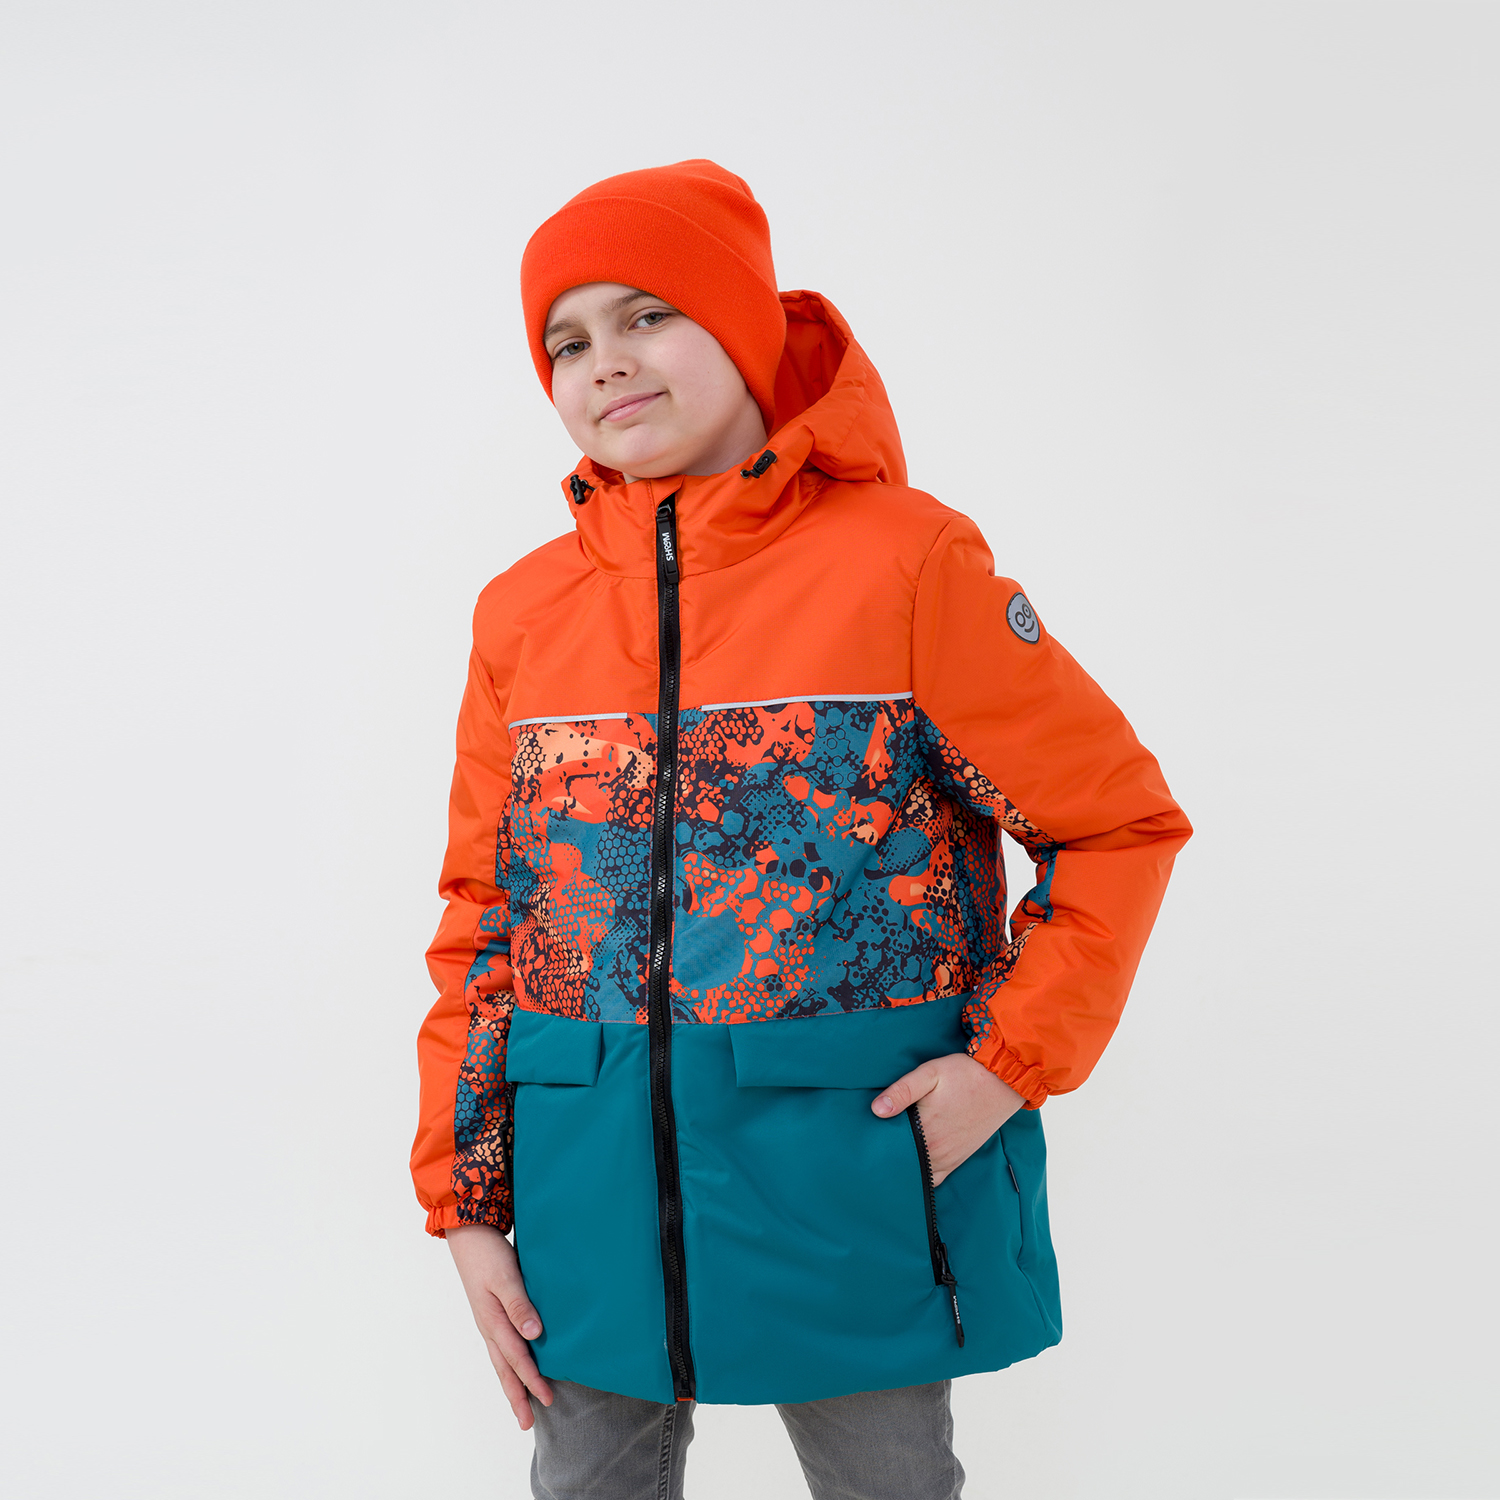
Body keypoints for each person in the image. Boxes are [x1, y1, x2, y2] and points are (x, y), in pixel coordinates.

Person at [411, 159, 1191, 1500]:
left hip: (848, 1177)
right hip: (586, 1185)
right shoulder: (523, 614)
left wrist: (1005, 1066)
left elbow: (1114, 825)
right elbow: (491, 910)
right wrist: (468, 1202)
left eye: (647, 314)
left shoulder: (904, 565)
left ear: (742, 326)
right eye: (567, 340)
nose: (606, 360)